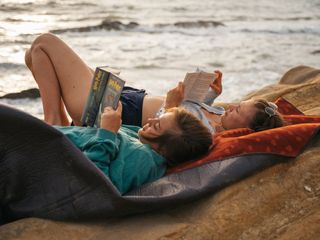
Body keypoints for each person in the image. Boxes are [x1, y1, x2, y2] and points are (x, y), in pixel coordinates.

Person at [25, 33, 284, 135]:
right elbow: (196, 109)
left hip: (110, 109)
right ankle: (59, 119)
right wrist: (210, 96)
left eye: (239, 111)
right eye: (239, 105)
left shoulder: (207, 134)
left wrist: (171, 105)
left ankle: (54, 121)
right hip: (125, 96)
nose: (233, 108)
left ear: (245, 130)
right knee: (33, 56)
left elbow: (162, 132)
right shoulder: (218, 117)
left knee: (44, 45)